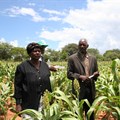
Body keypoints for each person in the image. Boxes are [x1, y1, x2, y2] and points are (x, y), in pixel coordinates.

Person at [13, 42, 52, 118]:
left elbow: (48, 82)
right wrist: (18, 104)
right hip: (29, 103)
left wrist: (51, 98)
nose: (37, 53)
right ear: (29, 53)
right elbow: (17, 86)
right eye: (35, 51)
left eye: (39, 51)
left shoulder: (44, 65)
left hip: (44, 101)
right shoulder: (22, 67)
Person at [67, 38, 99, 120]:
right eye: (80, 44)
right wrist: (80, 76)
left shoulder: (93, 58)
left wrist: (96, 74)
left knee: (90, 112)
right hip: (79, 90)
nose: (82, 46)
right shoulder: (72, 58)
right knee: (78, 112)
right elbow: (69, 74)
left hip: (90, 89)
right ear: (78, 46)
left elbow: (96, 71)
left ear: (87, 46)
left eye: (83, 45)